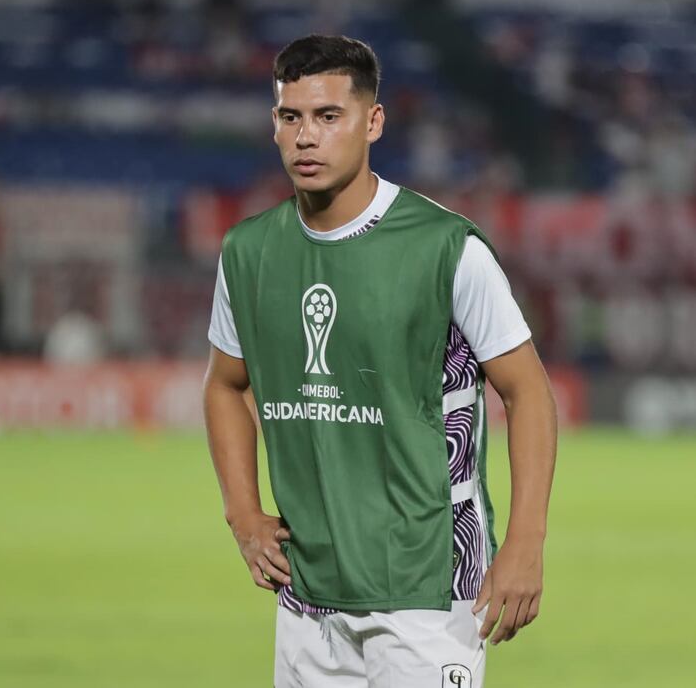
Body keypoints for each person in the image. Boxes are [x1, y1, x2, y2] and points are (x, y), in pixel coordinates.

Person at [203, 34, 557, 687]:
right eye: (291, 117)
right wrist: (243, 514)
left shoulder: (445, 248)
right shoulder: (248, 253)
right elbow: (225, 385)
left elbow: (528, 390)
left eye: (328, 116)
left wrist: (526, 541)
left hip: (428, 588)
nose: (306, 137)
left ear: (373, 122)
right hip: (308, 594)